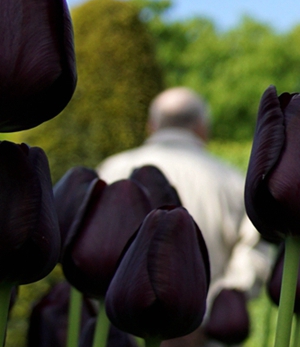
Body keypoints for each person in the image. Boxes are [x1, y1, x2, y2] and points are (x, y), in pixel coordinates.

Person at [99, 87, 267, 294]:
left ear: (151, 126)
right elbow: (253, 250)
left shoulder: (111, 170)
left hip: (118, 311)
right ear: (202, 128)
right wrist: (222, 304)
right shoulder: (233, 180)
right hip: (201, 314)